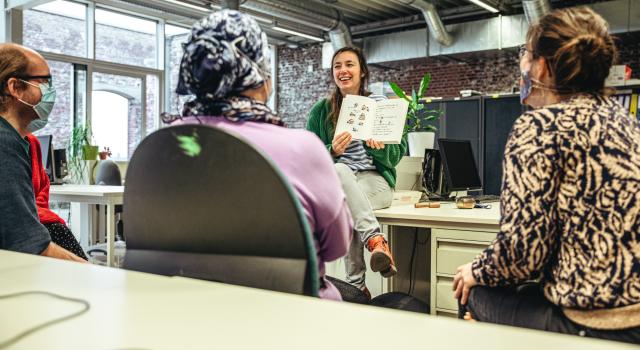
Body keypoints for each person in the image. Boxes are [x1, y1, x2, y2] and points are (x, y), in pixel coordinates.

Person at [452, 7, 640, 344]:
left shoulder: (538, 127)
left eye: (525, 54)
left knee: (472, 291)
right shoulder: (628, 124)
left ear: (542, 65)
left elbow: (522, 254)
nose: (522, 65)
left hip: (596, 321)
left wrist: (475, 270)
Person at [163, 10, 352, 300]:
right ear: (258, 74)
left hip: (188, 316)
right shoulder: (302, 148)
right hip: (295, 323)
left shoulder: (163, 146)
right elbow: (337, 247)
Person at [307, 46, 407, 297]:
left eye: (349, 64)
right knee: (340, 171)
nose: (343, 70)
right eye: (337, 66)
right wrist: (332, 150)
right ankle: (376, 242)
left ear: (362, 71)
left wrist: (380, 149)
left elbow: (395, 158)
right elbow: (310, 159)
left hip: (376, 183)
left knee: (345, 202)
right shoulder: (321, 110)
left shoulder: (381, 105)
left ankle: (355, 286)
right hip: (340, 181)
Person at [0, 43, 85, 262]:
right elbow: (28, 244)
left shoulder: (15, 139)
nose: (50, 91)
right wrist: (97, 273)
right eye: (44, 82)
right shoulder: (4, 142)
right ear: (15, 87)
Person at [27, 133, 88, 260]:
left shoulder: (32, 142)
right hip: (25, 221)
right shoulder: (11, 144)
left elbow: (42, 185)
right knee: (58, 230)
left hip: (34, 215)